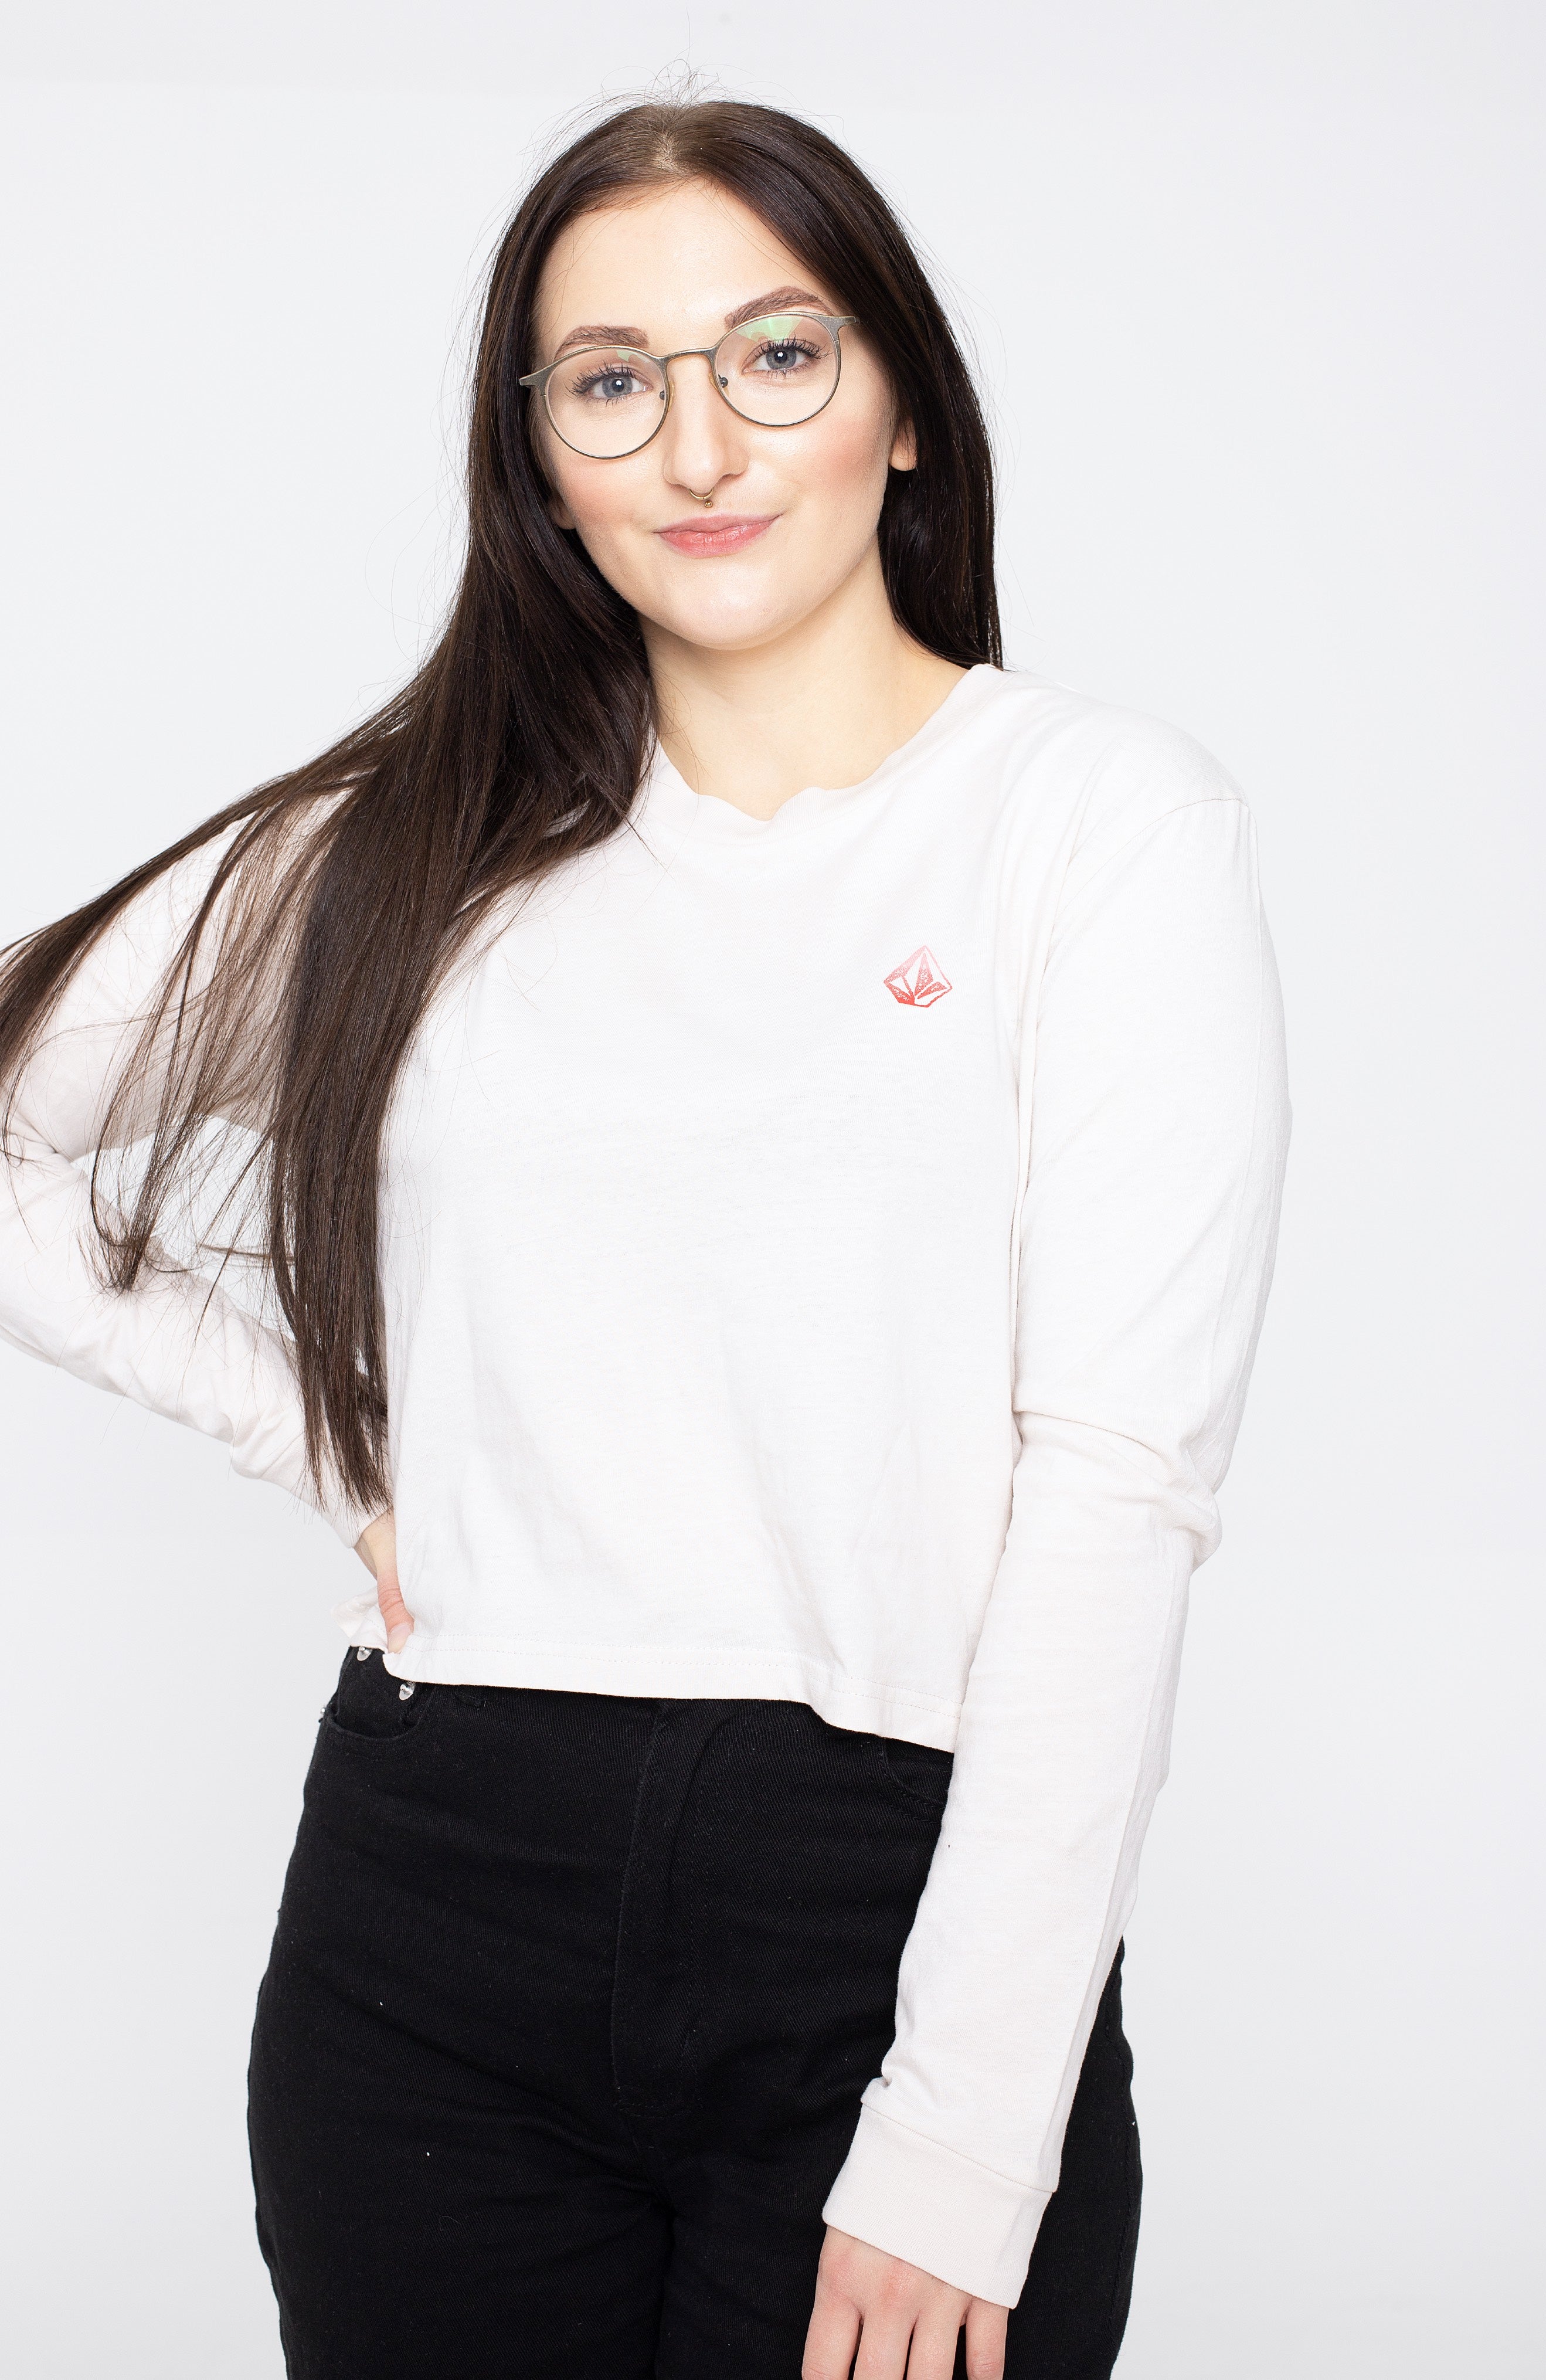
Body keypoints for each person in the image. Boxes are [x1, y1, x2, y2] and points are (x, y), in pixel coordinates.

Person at [0, 96, 1290, 2380]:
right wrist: (333, 1433)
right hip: (433, 1911)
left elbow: (1113, 1493)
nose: (700, 444)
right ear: (541, 458)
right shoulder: (417, 853)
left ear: (901, 403)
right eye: (612, 379)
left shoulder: (1091, 827)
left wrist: (964, 2133)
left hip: (889, 1915)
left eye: (776, 355)